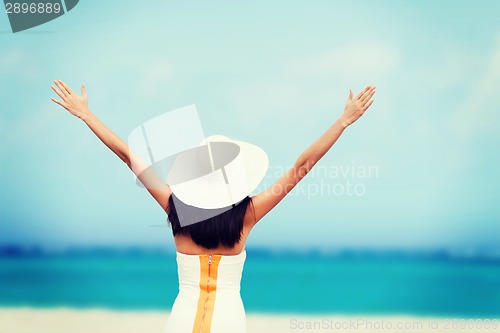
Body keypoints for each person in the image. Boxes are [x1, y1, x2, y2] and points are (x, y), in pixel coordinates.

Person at [50, 80, 376, 332]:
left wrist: (86, 115)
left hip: (182, 318)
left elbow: (129, 157)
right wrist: (343, 121)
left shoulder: (174, 208)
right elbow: (302, 166)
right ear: (236, 181)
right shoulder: (247, 215)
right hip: (228, 320)